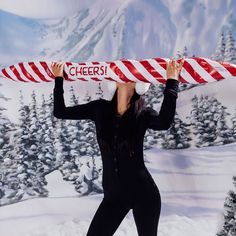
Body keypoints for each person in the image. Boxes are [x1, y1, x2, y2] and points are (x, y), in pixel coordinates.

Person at [52, 58, 184, 236]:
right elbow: (60, 112)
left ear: (137, 83)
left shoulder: (142, 114)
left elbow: (164, 122)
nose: (124, 75)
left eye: (130, 73)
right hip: (114, 198)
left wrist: (172, 81)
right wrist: (58, 79)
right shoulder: (99, 109)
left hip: (144, 194)